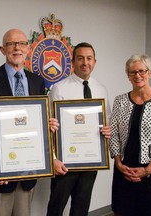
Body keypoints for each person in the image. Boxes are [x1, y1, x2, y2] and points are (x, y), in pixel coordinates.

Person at [0, 28, 58, 216]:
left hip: (29, 172)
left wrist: (46, 126)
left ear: (28, 48)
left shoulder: (37, 82)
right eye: (11, 44)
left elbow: (33, 123)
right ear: (3, 50)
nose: (17, 48)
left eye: (22, 43)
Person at [46, 42, 111, 216]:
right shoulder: (59, 88)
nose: (85, 62)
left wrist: (107, 130)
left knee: (81, 207)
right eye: (80, 58)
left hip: (91, 160)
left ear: (95, 62)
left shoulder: (101, 89)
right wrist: (53, 159)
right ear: (73, 61)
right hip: (65, 162)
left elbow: (107, 121)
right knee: (56, 207)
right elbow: (49, 129)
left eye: (89, 58)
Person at [109, 54, 151, 216]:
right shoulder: (120, 101)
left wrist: (148, 170)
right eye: (132, 72)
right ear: (128, 75)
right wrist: (118, 163)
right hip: (123, 170)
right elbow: (114, 135)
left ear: (150, 73)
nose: (137, 76)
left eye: (142, 71)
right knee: (121, 212)